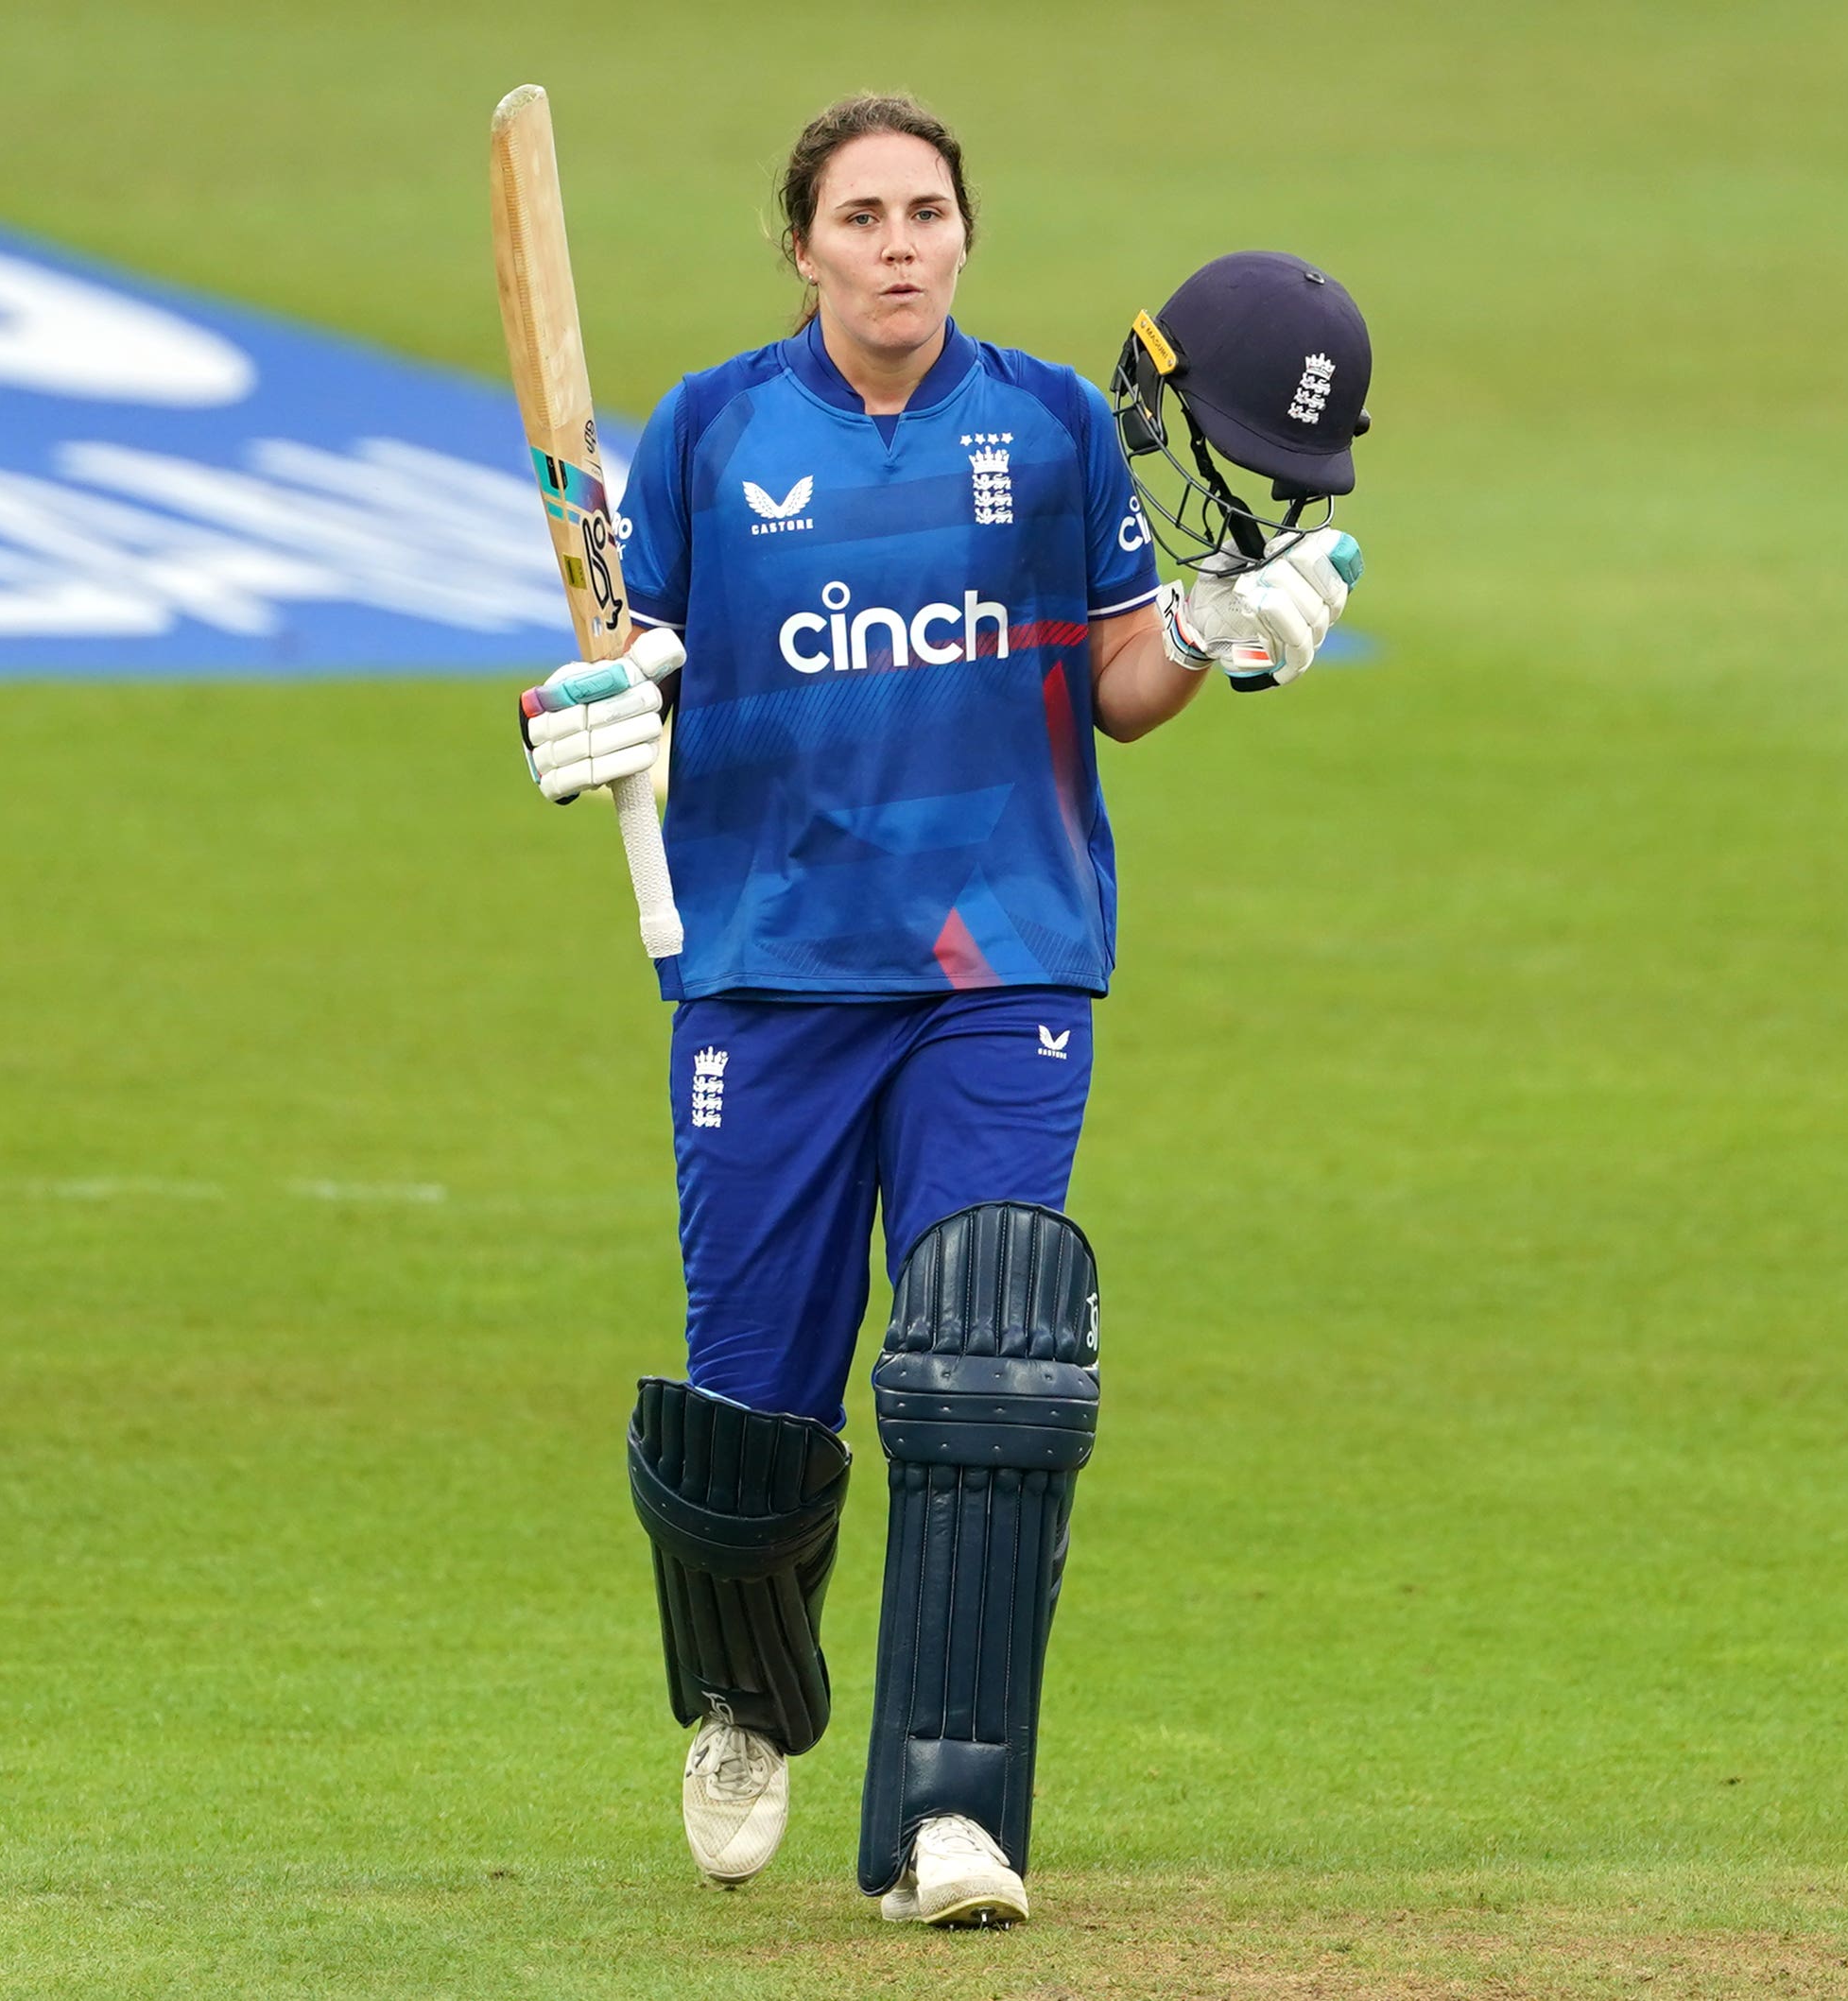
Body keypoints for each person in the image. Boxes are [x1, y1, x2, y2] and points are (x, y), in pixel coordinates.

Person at [518, 94, 1370, 1929]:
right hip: (766, 967)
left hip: (1003, 969)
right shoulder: (708, 436)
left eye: (927, 213)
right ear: (804, 247)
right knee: (754, 1395)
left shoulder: (1050, 426)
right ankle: (747, 1697)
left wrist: (1227, 634)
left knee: (992, 1364)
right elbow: (627, 666)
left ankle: (948, 1817)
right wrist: (589, 721)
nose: (899, 243)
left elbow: (1122, 689)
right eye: (863, 216)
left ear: (962, 237)